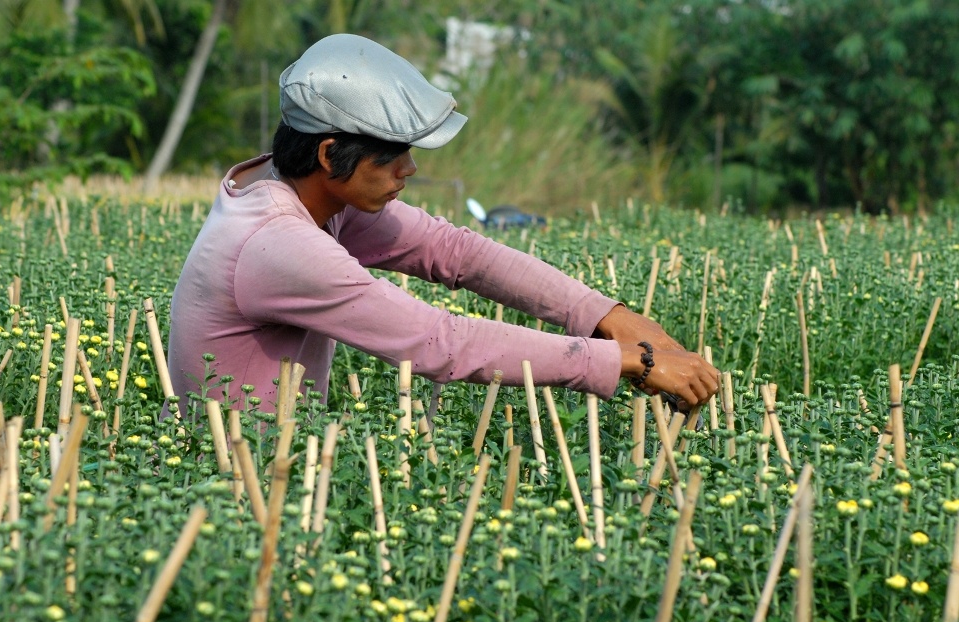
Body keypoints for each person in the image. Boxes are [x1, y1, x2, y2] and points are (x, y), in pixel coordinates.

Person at [167, 33, 719, 416]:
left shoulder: (301, 191)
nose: (409, 170)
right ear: (330, 153)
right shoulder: (278, 244)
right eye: (392, 156)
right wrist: (630, 361)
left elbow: (454, 252)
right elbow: (439, 342)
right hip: (235, 488)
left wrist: (607, 317)